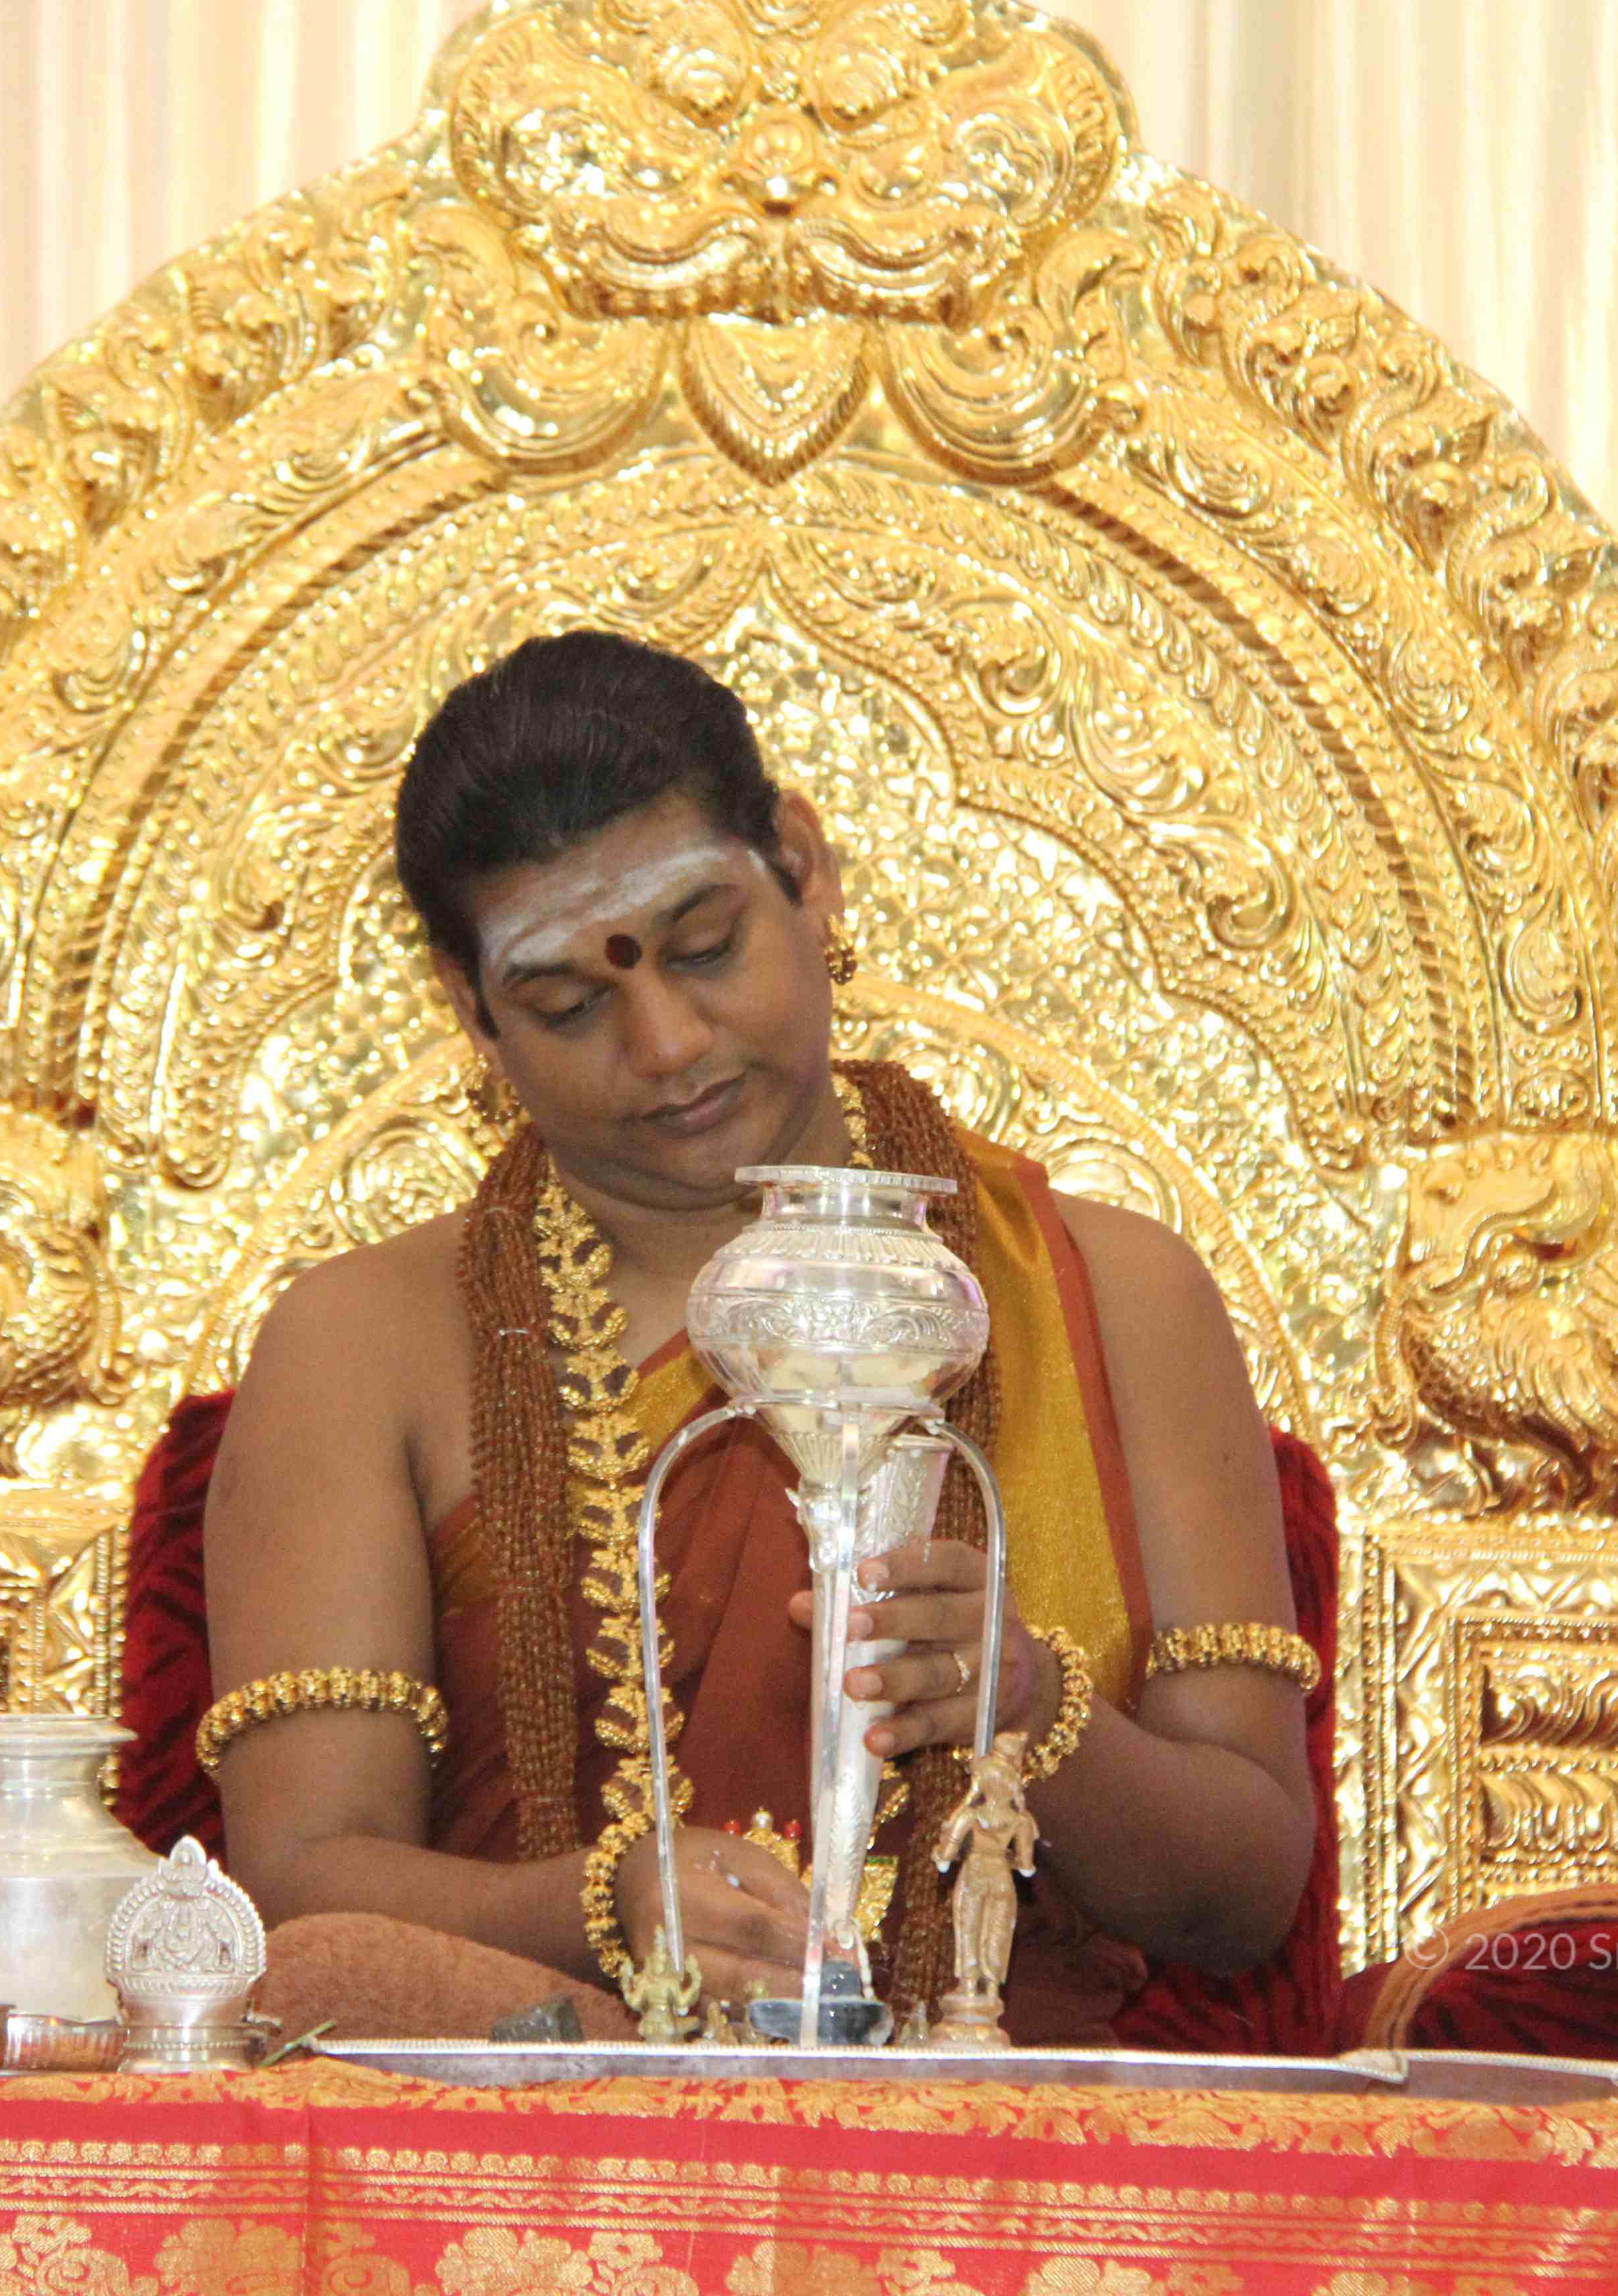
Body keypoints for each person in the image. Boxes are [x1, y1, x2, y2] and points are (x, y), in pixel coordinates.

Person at [200, 630, 1313, 2040]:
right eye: (568, 1004)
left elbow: (1246, 1888)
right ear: (469, 1010)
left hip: (998, 2127)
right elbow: (298, 1880)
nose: (666, 1044)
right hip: (549, 2129)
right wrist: (608, 1905)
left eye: (706, 947)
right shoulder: (363, 1344)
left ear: (803, 864)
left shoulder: (1113, 1289)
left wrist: (1035, 1710)